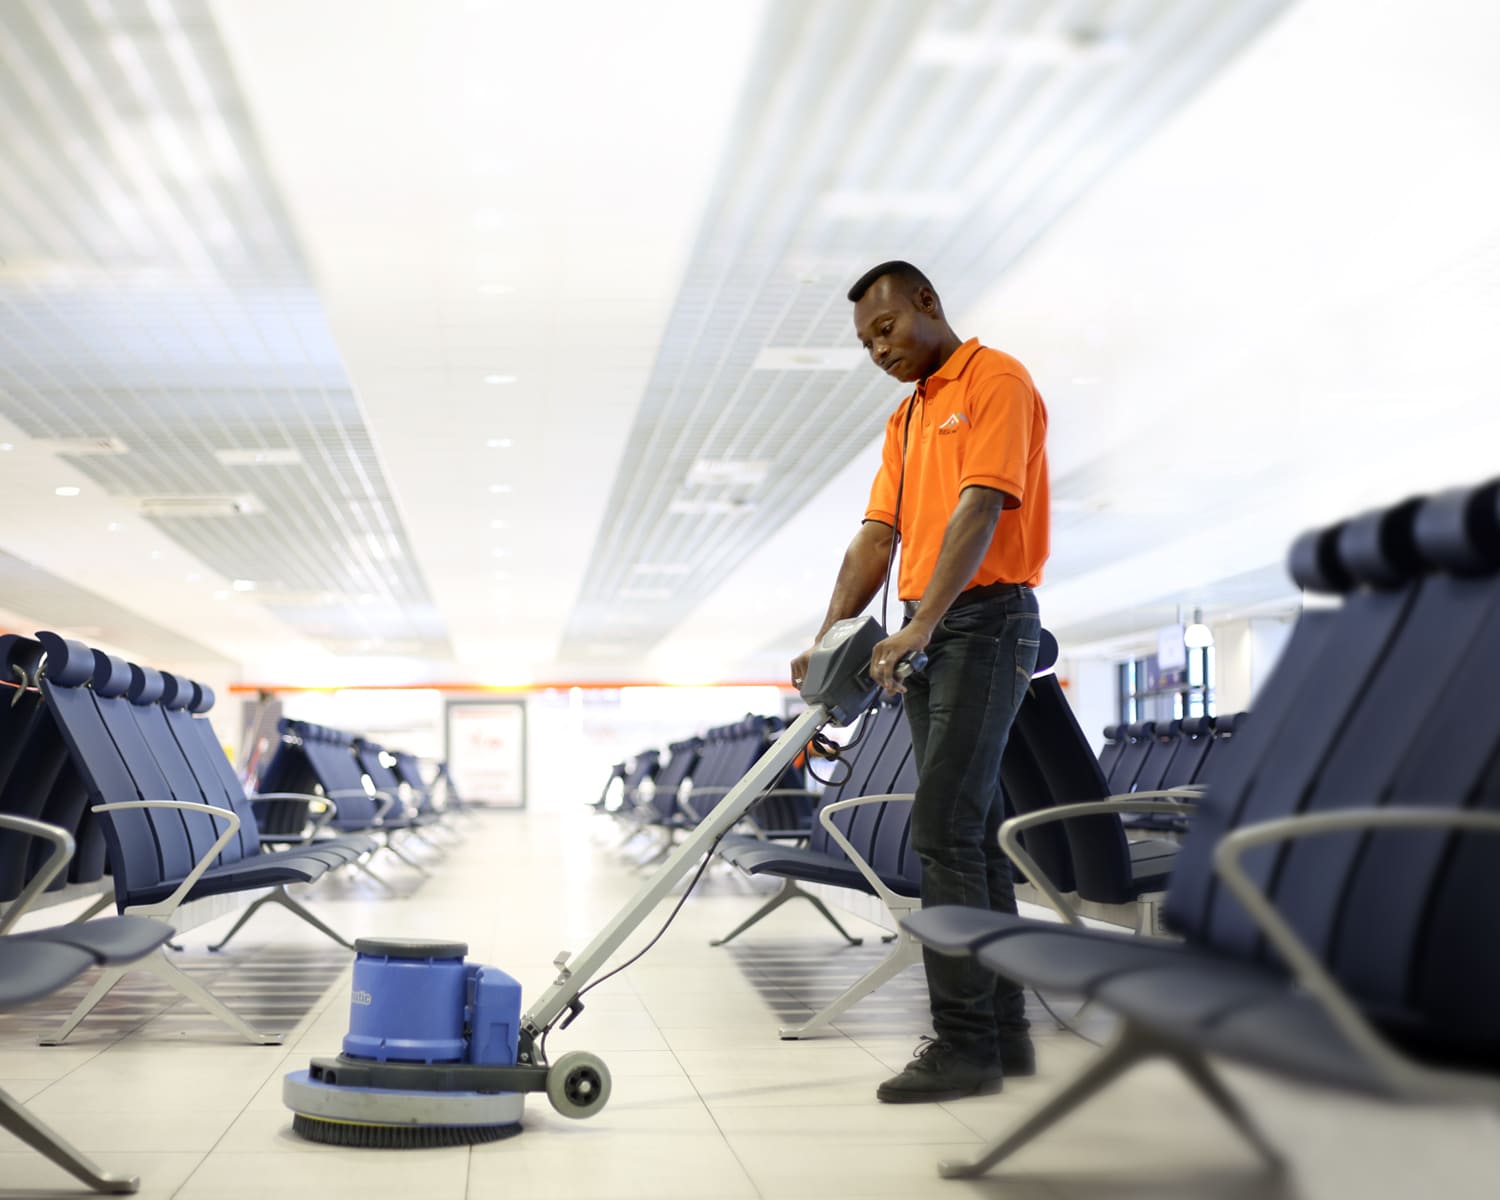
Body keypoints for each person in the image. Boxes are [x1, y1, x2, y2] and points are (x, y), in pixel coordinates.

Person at [790, 260, 1050, 1103]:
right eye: (867, 342)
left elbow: (982, 507)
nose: (879, 349)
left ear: (928, 304)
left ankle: (965, 1046)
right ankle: (1003, 1036)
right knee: (972, 833)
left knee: (943, 826)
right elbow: (876, 536)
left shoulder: (996, 380)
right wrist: (830, 635)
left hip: (985, 621)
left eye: (887, 328)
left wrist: (923, 622)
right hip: (928, 631)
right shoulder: (906, 418)